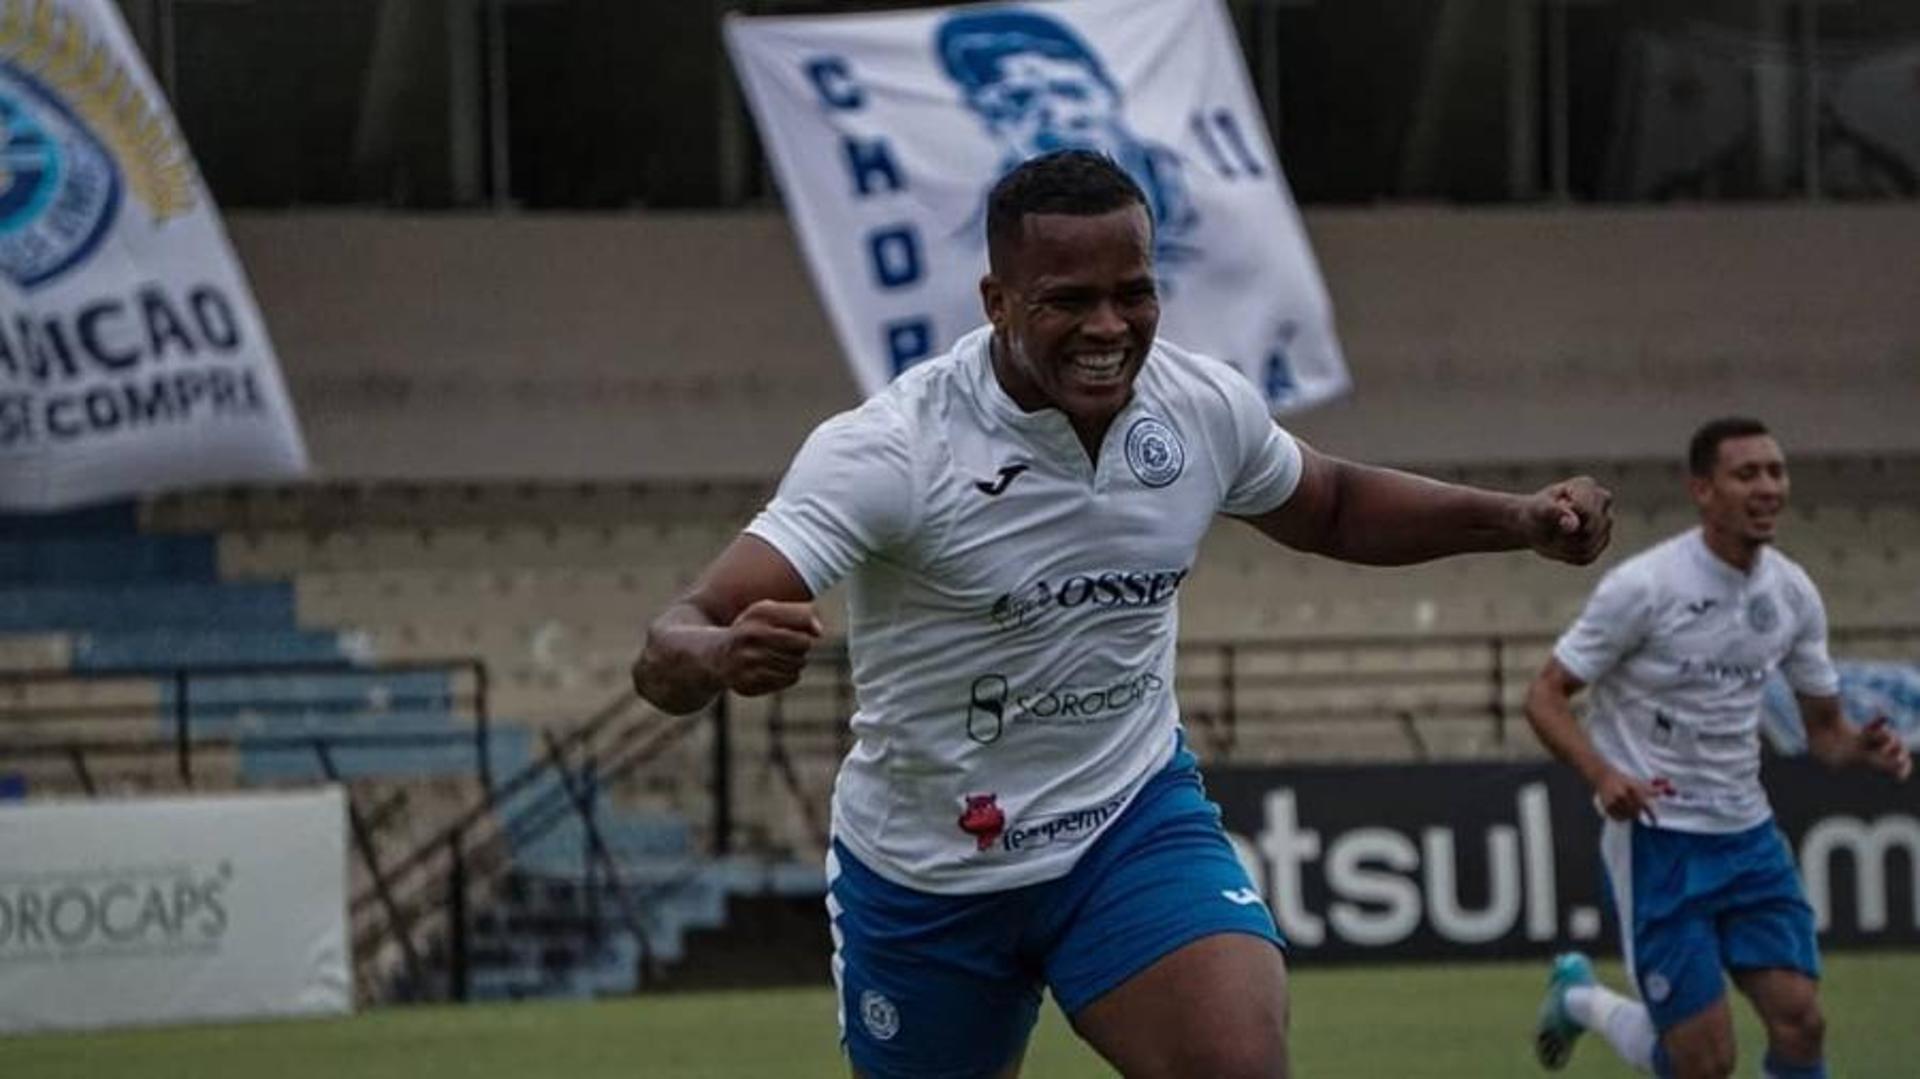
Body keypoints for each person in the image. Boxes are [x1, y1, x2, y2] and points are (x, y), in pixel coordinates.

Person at [633, 149, 1612, 1079]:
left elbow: (1336, 505)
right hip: (928, 870)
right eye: (1069, 299)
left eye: (1133, 291)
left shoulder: (1198, 407)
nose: (1110, 326)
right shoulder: (891, 450)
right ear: (996, 301)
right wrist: (719, 652)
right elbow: (671, 638)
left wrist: (1518, 518)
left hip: (1125, 827)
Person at [1527, 417, 1911, 1079]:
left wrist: (1860, 745)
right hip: (1659, 839)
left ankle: (1580, 996)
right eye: (1747, 473)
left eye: (1776, 472)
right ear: (1703, 489)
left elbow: (1824, 733)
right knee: (1703, 1061)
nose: (1767, 487)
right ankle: (1580, 997)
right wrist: (1604, 772)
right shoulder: (1645, 587)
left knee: (1802, 1022)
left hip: (1747, 835)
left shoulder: (1791, 593)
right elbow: (1544, 695)